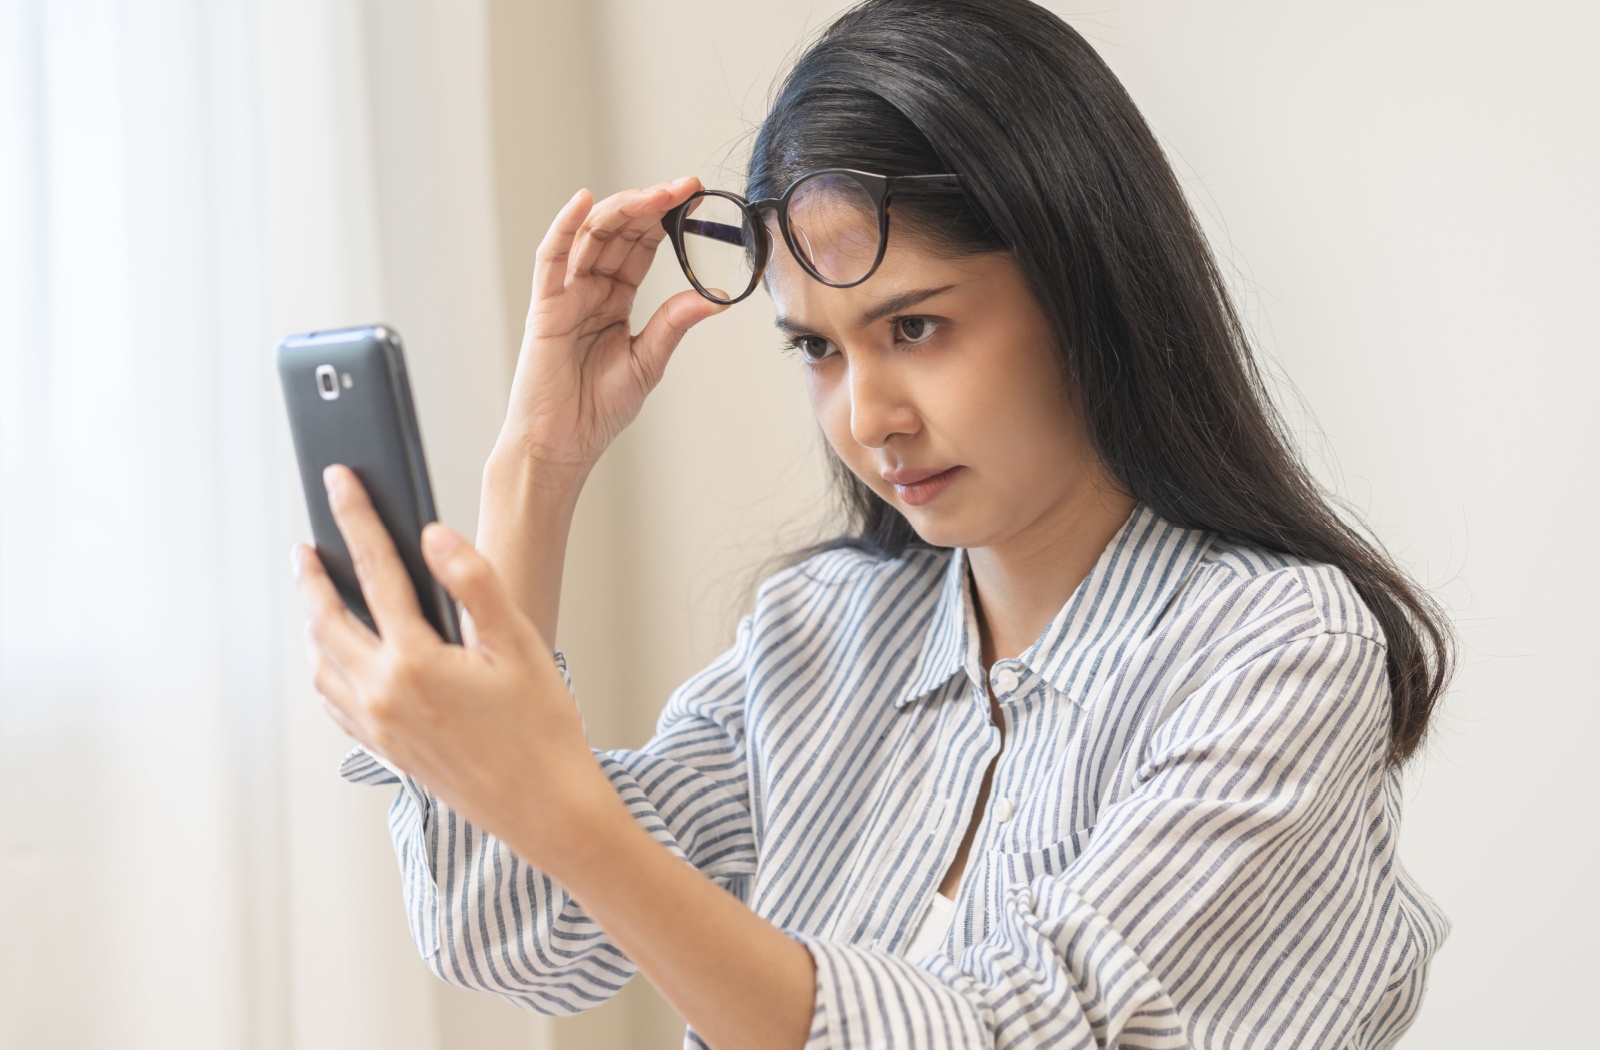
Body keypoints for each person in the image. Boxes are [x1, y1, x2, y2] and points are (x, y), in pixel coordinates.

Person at [291, 1, 1453, 1046]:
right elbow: (519, 935)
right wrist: (537, 470)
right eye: (816, 349)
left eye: (915, 329)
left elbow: (1022, 1033)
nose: (869, 417)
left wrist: (566, 809)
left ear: (1082, 288)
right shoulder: (823, 631)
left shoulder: (1281, 647)